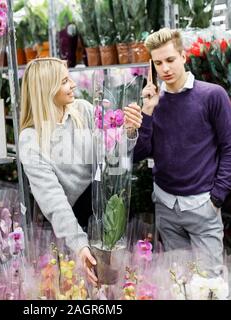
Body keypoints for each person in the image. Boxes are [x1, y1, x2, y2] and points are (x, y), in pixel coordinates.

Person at [125, 28, 231, 270]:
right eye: (158, 63)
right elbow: (138, 153)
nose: (165, 69)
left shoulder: (212, 95)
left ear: (183, 56)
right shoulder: (153, 101)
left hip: (202, 207)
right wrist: (147, 112)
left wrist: (217, 197)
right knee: (177, 283)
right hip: (166, 206)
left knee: (209, 286)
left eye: (170, 60)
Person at [18, 58, 142, 285]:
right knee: (71, 285)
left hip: (98, 211)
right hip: (62, 224)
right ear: (46, 88)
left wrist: (128, 131)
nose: (73, 84)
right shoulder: (31, 139)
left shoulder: (83, 111)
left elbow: (111, 154)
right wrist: (79, 244)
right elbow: (54, 200)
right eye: (64, 81)